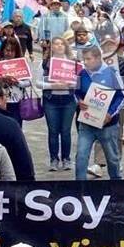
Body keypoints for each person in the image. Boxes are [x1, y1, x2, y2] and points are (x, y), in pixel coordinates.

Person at [74, 46, 124, 181]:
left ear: (98, 58)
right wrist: (79, 101)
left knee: (112, 158)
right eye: (84, 59)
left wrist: (110, 114)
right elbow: (75, 92)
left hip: (107, 125)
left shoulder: (112, 73)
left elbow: (123, 96)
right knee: (81, 155)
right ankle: (80, 188)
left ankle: (116, 185)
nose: (85, 62)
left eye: (88, 59)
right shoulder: (82, 74)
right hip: (86, 123)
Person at [0, 81, 35, 181]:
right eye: (6, 96)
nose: (6, 100)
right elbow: (22, 158)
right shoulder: (9, 124)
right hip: (4, 182)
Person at [41, 37, 77, 172]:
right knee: (53, 131)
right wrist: (52, 85)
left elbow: (78, 82)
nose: (59, 46)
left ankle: (67, 159)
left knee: (66, 131)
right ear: (52, 47)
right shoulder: (46, 63)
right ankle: (54, 159)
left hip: (68, 100)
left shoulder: (72, 62)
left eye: (62, 43)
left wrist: (69, 83)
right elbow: (39, 83)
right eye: (56, 43)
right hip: (51, 100)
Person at [0, 35, 31, 126]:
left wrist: (18, 82)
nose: (10, 53)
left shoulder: (21, 62)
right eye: (7, 50)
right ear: (3, 49)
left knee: (15, 127)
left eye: (13, 51)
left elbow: (29, 82)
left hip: (16, 103)